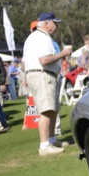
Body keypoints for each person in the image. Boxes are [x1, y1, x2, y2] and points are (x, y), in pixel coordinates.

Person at [22, 12, 72, 155]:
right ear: (46, 23)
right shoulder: (42, 38)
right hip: (42, 74)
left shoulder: (35, 37)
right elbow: (44, 60)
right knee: (46, 110)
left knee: (52, 109)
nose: (56, 26)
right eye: (54, 23)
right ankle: (44, 145)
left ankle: (51, 139)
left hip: (40, 74)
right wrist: (63, 53)